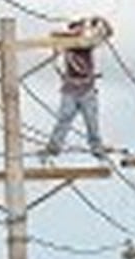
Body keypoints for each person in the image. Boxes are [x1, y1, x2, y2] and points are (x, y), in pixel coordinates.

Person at [43, 16, 112, 160]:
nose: (78, 31)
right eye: (75, 28)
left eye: (80, 28)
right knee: (64, 118)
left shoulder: (87, 43)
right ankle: (53, 148)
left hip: (86, 88)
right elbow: (53, 35)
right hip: (70, 88)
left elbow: (106, 33)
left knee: (91, 122)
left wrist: (99, 22)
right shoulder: (66, 43)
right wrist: (71, 35)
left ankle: (97, 148)